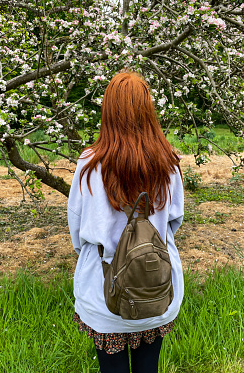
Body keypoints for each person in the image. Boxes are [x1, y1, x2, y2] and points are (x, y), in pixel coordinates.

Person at [67, 71, 184, 373]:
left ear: (108, 111)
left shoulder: (89, 164)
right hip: (156, 288)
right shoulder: (168, 161)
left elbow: (78, 231)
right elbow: (174, 221)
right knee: (149, 367)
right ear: (148, 109)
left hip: (104, 291)